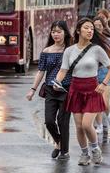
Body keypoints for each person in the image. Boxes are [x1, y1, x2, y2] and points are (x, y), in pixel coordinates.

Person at [54, 18, 110, 166]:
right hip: (75, 89)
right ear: (78, 31)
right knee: (79, 126)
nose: (90, 31)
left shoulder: (97, 49)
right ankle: (84, 154)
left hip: (92, 90)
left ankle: (95, 149)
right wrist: (57, 82)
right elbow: (63, 70)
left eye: (92, 29)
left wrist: (104, 83)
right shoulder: (69, 50)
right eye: (87, 28)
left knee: (87, 124)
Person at [26, 20, 73, 160]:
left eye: (59, 32)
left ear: (65, 32)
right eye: (53, 32)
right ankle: (58, 142)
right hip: (50, 90)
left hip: (66, 89)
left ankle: (64, 151)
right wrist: (32, 90)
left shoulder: (70, 50)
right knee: (49, 121)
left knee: (62, 121)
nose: (56, 34)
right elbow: (41, 72)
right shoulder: (46, 51)